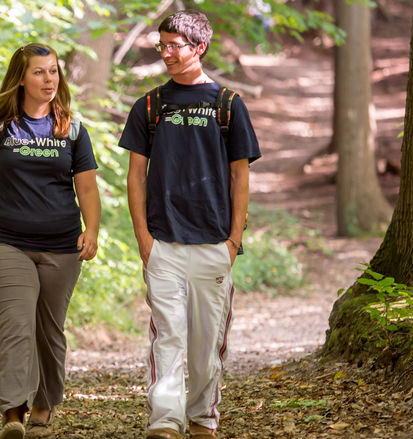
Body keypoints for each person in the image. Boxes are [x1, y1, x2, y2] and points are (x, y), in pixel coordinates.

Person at [0, 42, 100, 439]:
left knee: (49, 328)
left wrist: (91, 229)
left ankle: (45, 402)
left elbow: (88, 190)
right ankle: (13, 412)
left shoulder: (72, 130)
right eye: (39, 72)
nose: (49, 79)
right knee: (16, 325)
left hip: (63, 246)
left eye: (53, 71)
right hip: (6, 241)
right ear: (21, 79)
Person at [118, 10, 261, 439]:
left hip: (214, 244)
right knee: (168, 340)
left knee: (205, 348)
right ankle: (164, 420)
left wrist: (234, 240)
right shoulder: (149, 105)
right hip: (163, 245)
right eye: (161, 46)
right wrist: (144, 238)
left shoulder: (229, 105)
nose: (166, 54)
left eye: (174, 46)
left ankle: (202, 418)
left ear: (199, 48)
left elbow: (241, 176)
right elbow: (135, 175)